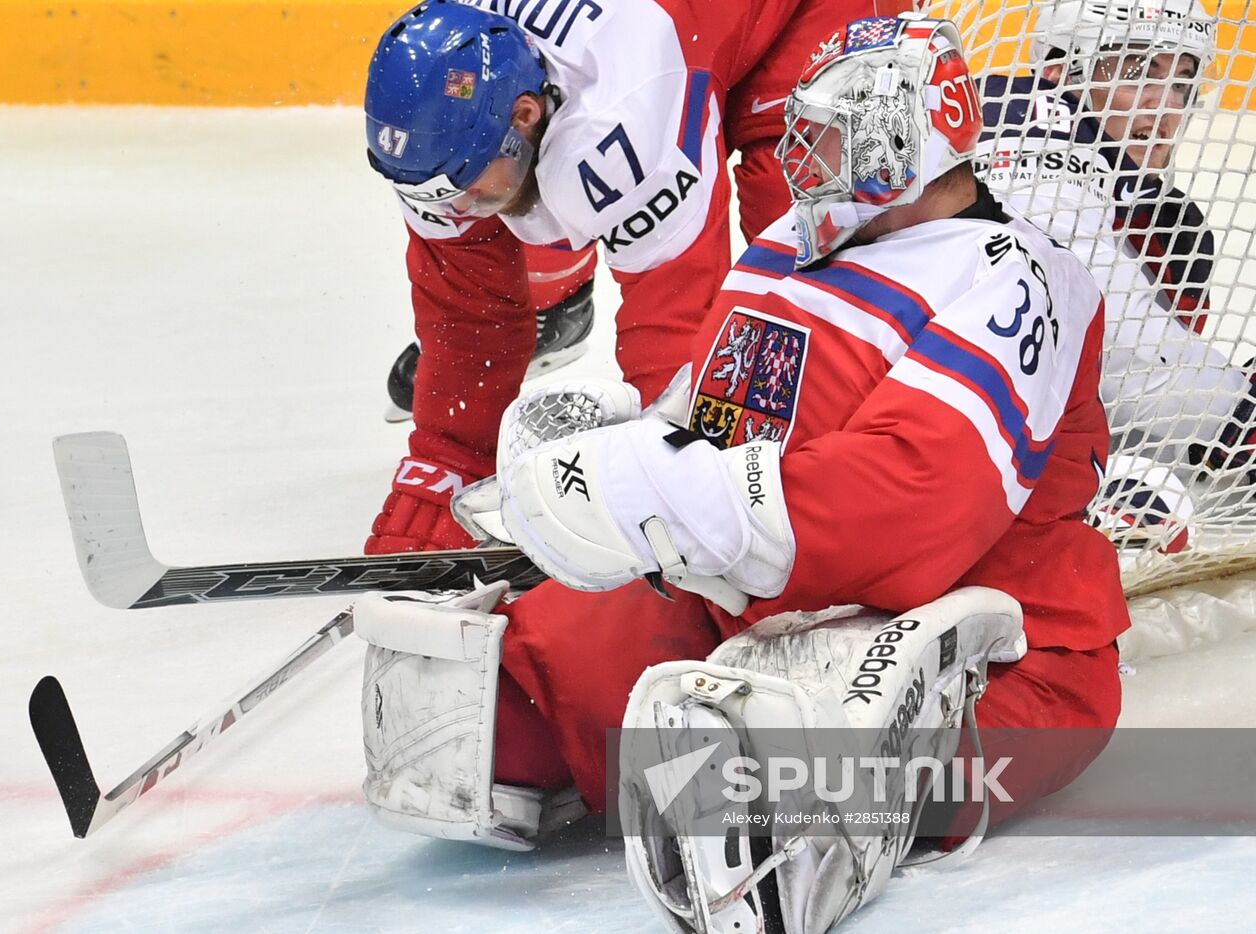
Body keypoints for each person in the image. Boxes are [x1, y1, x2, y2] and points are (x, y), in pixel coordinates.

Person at [352, 13, 1128, 932]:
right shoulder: (788, 248)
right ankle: (721, 730)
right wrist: (603, 459)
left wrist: (664, 491)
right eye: (809, 129)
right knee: (496, 708)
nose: (809, 156)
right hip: (755, 589)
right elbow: (708, 413)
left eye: (840, 132)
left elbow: (907, 507)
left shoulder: (1017, 278)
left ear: (913, 138)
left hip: (977, 622)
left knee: (802, 766)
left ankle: (825, 796)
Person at [361, 0, 876, 554]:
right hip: (665, 47)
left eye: (465, 182)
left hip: (801, 16)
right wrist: (449, 457)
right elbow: (470, 309)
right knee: (517, 219)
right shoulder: (449, 121)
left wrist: (669, 475)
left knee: (807, 237)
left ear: (526, 114)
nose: (457, 205)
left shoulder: (619, 115)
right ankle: (559, 294)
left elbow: (676, 323)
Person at [974, 0, 1251, 551]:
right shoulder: (1016, 118)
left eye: (1180, 81)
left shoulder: (1170, 227)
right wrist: (1235, 417)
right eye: (1134, 72)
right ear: (1057, 68)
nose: (1162, 106)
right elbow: (1124, 354)